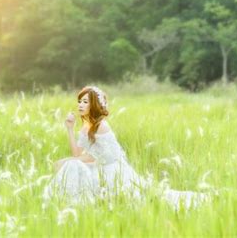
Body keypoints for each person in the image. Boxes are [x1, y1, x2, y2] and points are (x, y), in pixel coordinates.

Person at [42, 85, 211, 209]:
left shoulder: (101, 126)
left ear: (93, 105)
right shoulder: (85, 126)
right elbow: (78, 153)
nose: (80, 105)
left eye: (85, 101)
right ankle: (64, 205)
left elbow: (102, 157)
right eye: (79, 101)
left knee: (152, 199)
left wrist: (69, 160)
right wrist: (69, 129)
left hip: (112, 171)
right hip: (98, 167)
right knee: (71, 164)